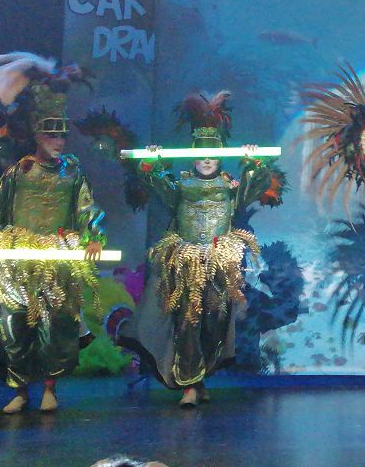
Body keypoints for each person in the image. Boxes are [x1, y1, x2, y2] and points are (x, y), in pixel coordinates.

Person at [118, 91, 285, 407]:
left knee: (214, 323)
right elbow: (157, 184)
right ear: (193, 155)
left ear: (221, 155)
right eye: (201, 153)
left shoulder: (230, 187)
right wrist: (153, 163)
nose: (207, 159)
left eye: (213, 153)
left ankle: (199, 375)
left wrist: (253, 162)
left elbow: (255, 185)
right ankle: (189, 384)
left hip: (219, 262)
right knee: (187, 322)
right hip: (186, 261)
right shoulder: (180, 186)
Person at [0, 53, 105, 414]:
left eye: (62, 134)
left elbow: (88, 210)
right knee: (13, 325)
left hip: (57, 257)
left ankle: (50, 389)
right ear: (37, 136)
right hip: (16, 257)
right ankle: (20, 390)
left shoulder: (73, 173)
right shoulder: (18, 172)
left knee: (55, 324)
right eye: (51, 133)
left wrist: (93, 238)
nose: (58, 140)